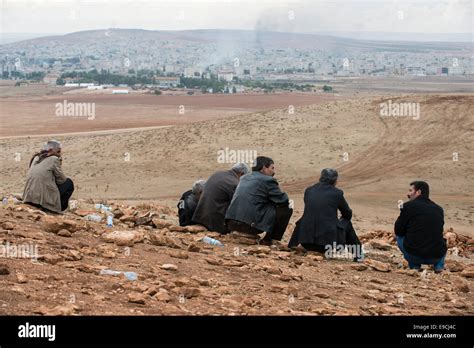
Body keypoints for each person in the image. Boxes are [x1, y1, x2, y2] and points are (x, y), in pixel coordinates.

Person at [288, 168, 363, 261]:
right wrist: (338, 221)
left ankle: (290, 247)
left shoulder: (309, 190)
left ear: (321, 177)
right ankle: (359, 255)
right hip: (326, 244)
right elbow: (347, 213)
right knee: (347, 223)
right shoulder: (337, 193)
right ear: (335, 180)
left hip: (305, 241)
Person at [225, 156, 292, 245]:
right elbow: (283, 200)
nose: (274, 172)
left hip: (231, 223)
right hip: (248, 226)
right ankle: (269, 240)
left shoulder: (243, 178)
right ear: (264, 168)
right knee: (286, 208)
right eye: (272, 168)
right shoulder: (268, 180)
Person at [394, 181, 447, 273]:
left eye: (410, 191)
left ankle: (414, 265)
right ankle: (439, 266)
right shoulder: (439, 209)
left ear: (418, 192)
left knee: (399, 236)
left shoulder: (407, 206)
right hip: (436, 256)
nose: (408, 194)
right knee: (441, 239)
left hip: (415, 255)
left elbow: (398, 230)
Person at [192, 163, 250, 234]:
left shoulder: (218, 173)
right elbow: (237, 205)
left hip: (201, 217)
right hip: (214, 223)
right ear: (242, 174)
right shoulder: (234, 183)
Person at [22, 140, 74, 213]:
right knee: (69, 183)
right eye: (58, 152)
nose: (59, 154)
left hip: (29, 197)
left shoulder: (36, 158)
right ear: (51, 150)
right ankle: (57, 209)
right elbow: (61, 180)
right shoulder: (54, 159)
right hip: (41, 200)